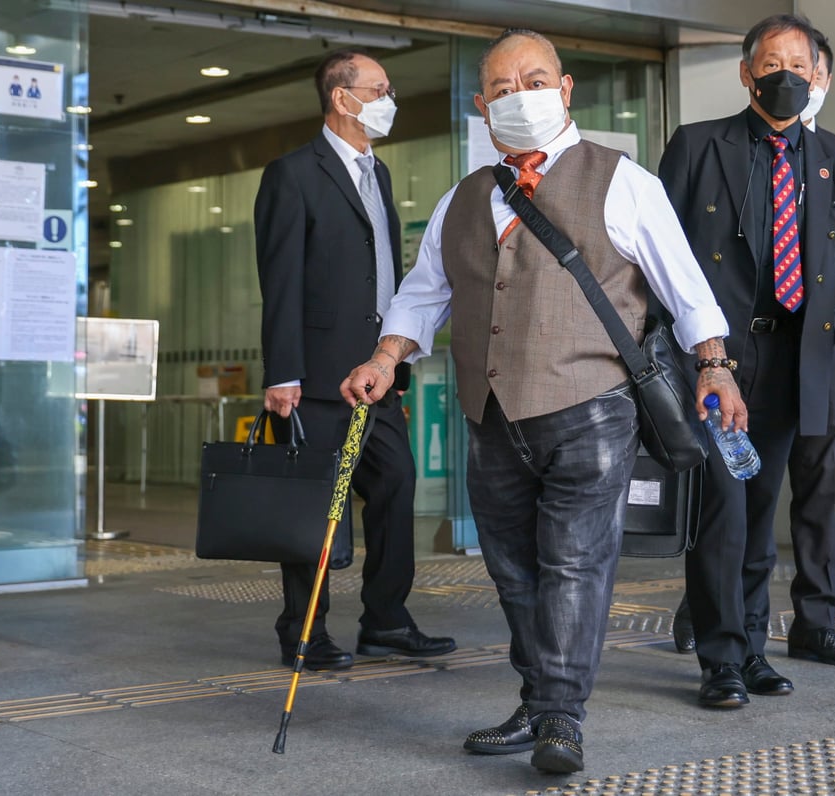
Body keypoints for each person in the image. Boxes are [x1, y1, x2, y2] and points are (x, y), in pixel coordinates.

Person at [342, 28, 743, 774]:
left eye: (533, 81)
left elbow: (686, 287)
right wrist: (384, 357)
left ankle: (561, 715)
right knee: (513, 570)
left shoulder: (621, 181)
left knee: (574, 562)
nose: (518, 96)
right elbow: (424, 294)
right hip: (491, 416)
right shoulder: (464, 198)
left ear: (564, 90)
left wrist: (715, 367)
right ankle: (537, 701)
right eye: (501, 88)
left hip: (593, 406)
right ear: (481, 105)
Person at [658, 13, 835, 709]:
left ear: (816, 73)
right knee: (723, 509)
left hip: (797, 354)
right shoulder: (698, 146)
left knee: (761, 506)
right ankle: (721, 660)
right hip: (719, 357)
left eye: (799, 64)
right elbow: (659, 252)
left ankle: (752, 650)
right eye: (772, 64)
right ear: (746, 73)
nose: (786, 76)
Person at [254, 48, 456, 673]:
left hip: (375, 374)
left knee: (395, 483)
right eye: (379, 89)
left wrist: (393, 359)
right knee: (314, 509)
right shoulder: (293, 174)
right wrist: (283, 373)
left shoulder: (380, 173)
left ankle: (386, 620)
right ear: (342, 98)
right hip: (315, 379)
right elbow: (280, 281)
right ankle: (303, 631)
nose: (389, 100)